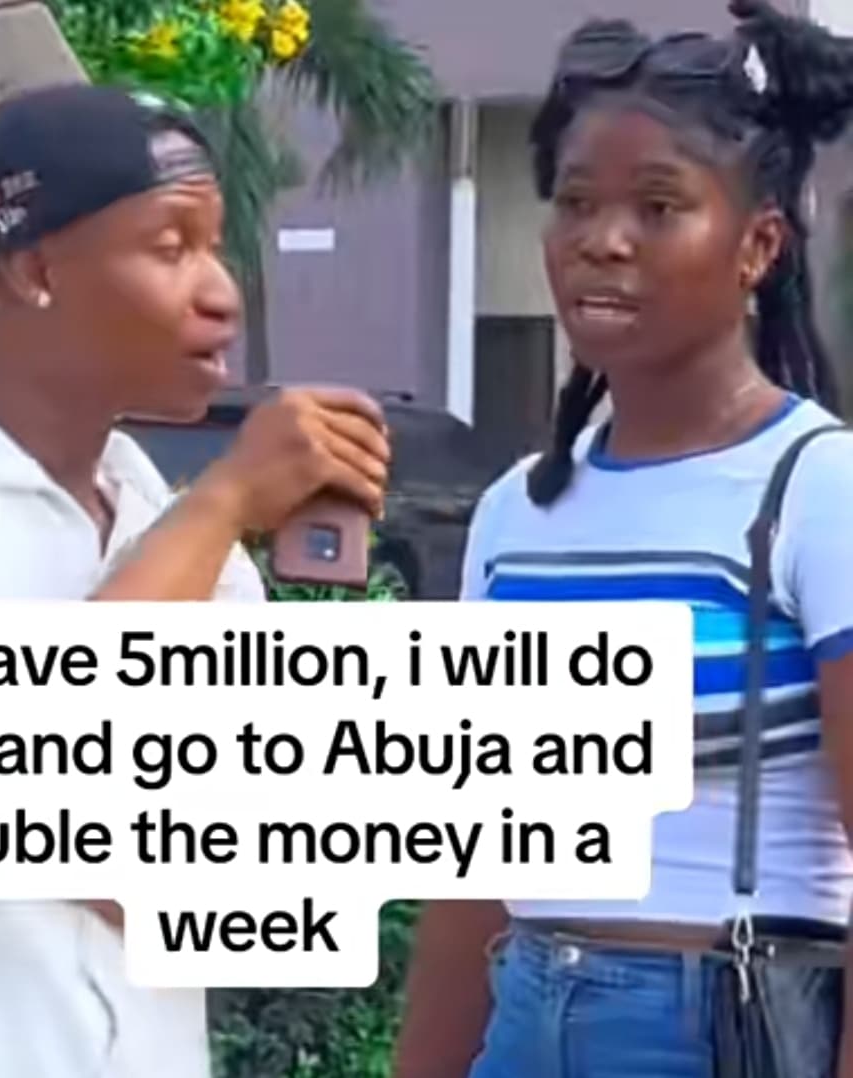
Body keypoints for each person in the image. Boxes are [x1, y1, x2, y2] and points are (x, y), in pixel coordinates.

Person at [0, 84, 389, 1077]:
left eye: (217, 247)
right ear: (34, 267)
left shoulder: (172, 531)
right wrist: (226, 500)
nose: (222, 292)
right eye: (170, 246)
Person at [394, 2, 853, 1075]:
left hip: (719, 1025)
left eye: (659, 206)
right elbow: (478, 857)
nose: (603, 239)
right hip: (524, 1014)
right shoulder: (515, 512)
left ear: (758, 245)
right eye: (575, 203)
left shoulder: (818, 489)